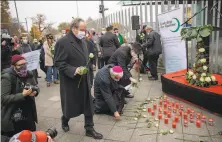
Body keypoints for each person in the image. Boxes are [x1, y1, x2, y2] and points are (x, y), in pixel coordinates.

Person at [54, 18, 103, 139]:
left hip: (85, 79)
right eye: (82, 29)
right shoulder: (63, 42)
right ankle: (65, 119)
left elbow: (84, 57)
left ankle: (89, 128)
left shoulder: (83, 41)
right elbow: (59, 62)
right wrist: (74, 70)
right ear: (74, 28)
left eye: (85, 29)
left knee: (88, 105)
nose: (84, 32)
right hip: (71, 81)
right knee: (71, 106)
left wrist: (90, 64)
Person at [1, 55, 39, 139]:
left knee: (30, 136)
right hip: (13, 115)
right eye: (20, 65)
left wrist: (35, 92)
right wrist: (22, 95)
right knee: (17, 138)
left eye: (25, 64)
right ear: (13, 66)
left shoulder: (29, 74)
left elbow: (36, 86)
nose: (23, 67)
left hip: (28, 112)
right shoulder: (7, 77)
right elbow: (3, 98)